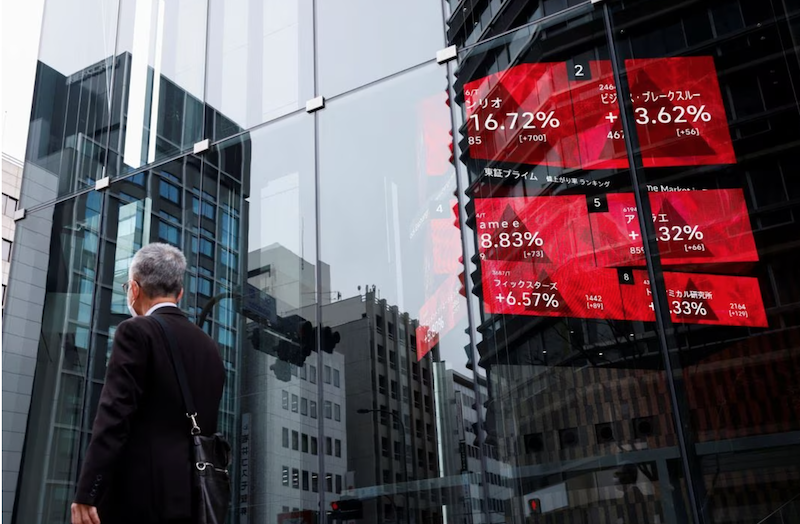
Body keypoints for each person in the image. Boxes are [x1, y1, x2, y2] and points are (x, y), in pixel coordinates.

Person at [71, 243, 226, 524]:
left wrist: (87, 492)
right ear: (179, 293)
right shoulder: (210, 347)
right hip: (197, 500)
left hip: (140, 499)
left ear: (134, 288)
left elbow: (113, 418)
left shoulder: (135, 331)